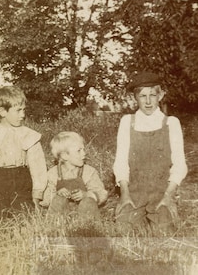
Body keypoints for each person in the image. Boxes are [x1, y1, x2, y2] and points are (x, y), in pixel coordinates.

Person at [113, 71, 188, 231]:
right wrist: (124, 195)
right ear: (135, 98)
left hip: (161, 192)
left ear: (160, 96)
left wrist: (168, 197)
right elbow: (120, 162)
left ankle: (163, 213)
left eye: (152, 95)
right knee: (123, 230)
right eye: (142, 96)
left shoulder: (171, 123)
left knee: (163, 231)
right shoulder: (127, 122)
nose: (148, 102)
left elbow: (180, 165)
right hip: (134, 192)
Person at [0, 86, 47, 220]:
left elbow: (38, 167)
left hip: (22, 182)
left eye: (24, 110)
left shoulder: (29, 136)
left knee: (25, 216)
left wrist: (36, 197)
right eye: (18, 110)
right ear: (3, 111)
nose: (23, 115)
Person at [40, 131, 108, 218]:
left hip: (85, 213)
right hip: (62, 214)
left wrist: (87, 194)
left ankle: (88, 227)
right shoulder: (53, 173)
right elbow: (45, 199)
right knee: (58, 200)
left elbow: (102, 193)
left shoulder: (89, 172)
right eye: (79, 151)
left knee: (88, 202)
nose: (84, 153)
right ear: (64, 156)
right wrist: (57, 193)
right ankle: (55, 227)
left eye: (83, 149)